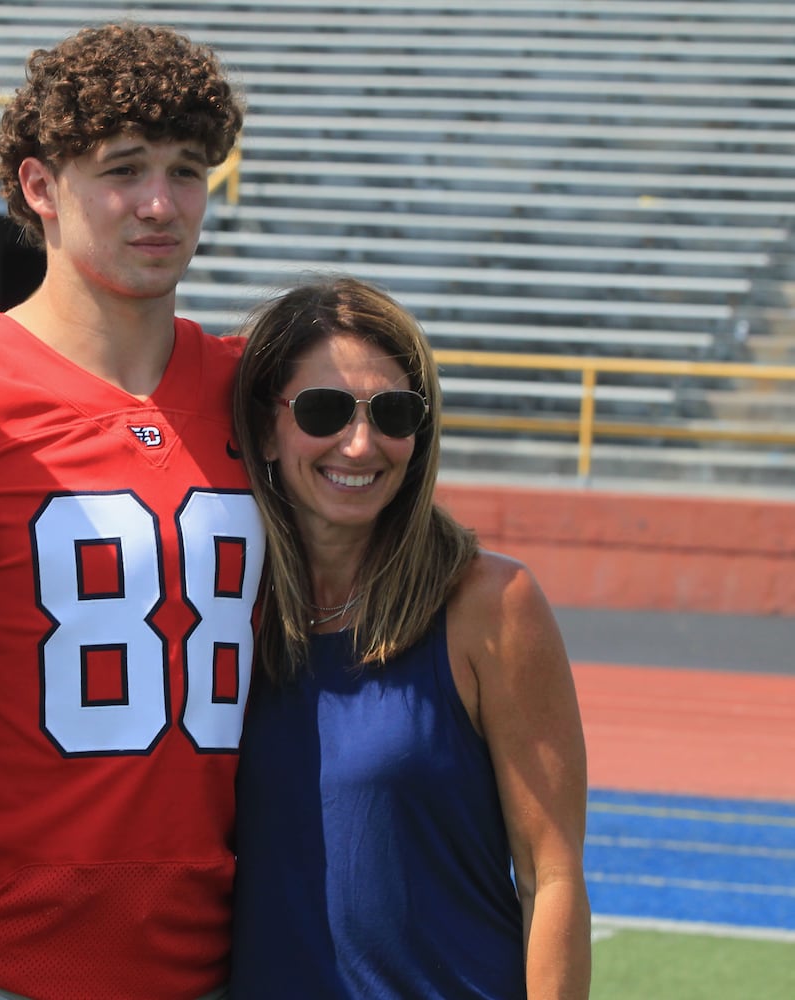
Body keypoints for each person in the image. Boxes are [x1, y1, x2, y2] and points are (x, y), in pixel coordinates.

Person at [0, 22, 259, 1000]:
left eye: (187, 170)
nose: (160, 204)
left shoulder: (259, 390)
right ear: (40, 187)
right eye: (122, 170)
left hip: (215, 961)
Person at [229, 275, 592, 998]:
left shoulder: (492, 603)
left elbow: (551, 877)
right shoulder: (222, 607)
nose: (361, 445)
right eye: (324, 410)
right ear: (267, 427)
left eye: (394, 413)